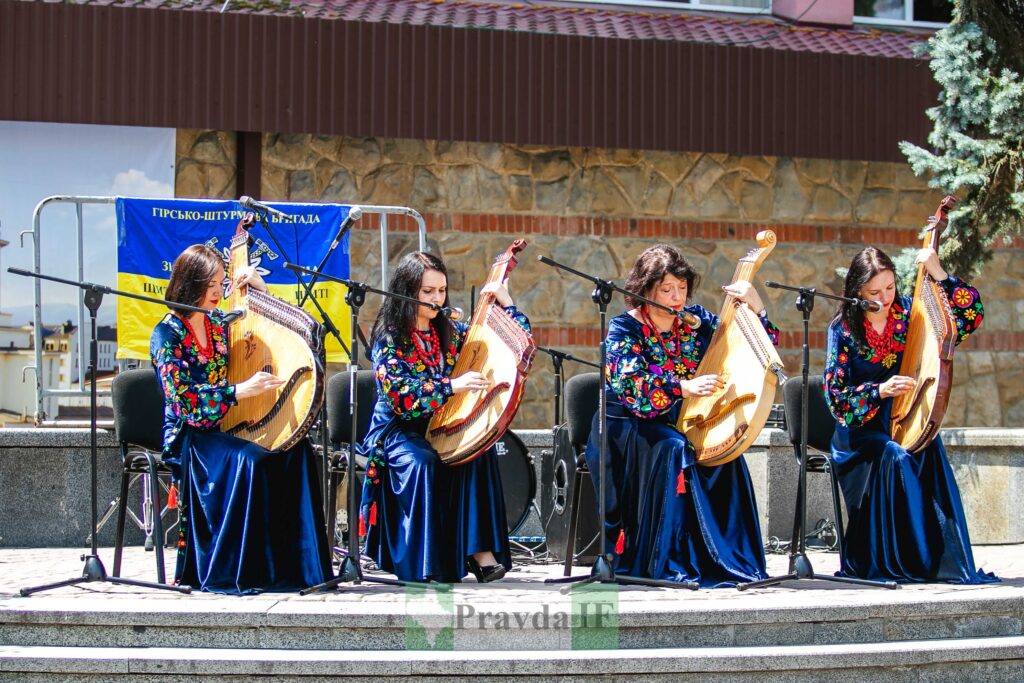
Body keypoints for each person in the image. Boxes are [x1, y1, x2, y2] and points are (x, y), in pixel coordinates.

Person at [584, 244, 777, 587]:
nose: (676, 298)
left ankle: (728, 559)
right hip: (627, 426)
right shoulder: (623, 329)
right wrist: (683, 387)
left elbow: (753, 345)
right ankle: (670, 560)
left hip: (679, 420)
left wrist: (756, 307)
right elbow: (632, 386)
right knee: (677, 449)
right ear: (645, 290)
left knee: (725, 453)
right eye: (666, 290)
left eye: (682, 289)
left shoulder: (695, 321)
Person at [150, 244, 332, 594]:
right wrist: (238, 392)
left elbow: (305, 329)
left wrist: (262, 289)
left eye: (222, 283)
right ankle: (247, 571)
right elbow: (184, 401)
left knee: (296, 452)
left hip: (228, 424)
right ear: (189, 285)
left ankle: (297, 571)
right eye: (212, 285)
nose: (220, 292)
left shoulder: (221, 323)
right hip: (192, 436)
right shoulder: (167, 335)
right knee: (253, 460)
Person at [823, 245, 997, 584]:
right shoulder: (842, 329)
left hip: (904, 418)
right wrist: (880, 391)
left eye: (890, 288)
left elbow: (968, 318)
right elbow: (836, 398)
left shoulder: (909, 313)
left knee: (928, 445)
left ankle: (938, 563)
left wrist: (940, 273)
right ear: (857, 291)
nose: (885, 297)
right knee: (896, 455)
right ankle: (903, 562)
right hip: (860, 432)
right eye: (874, 291)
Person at [358, 251, 530, 583]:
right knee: (423, 462)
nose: (437, 298)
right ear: (408, 291)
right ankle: (427, 563)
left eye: (441, 291)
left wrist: (506, 305)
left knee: (477, 450)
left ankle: (480, 553)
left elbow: (508, 344)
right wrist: (452, 385)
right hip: (398, 428)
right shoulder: (388, 334)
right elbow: (399, 394)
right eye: (428, 292)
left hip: (442, 419)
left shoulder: (448, 328)